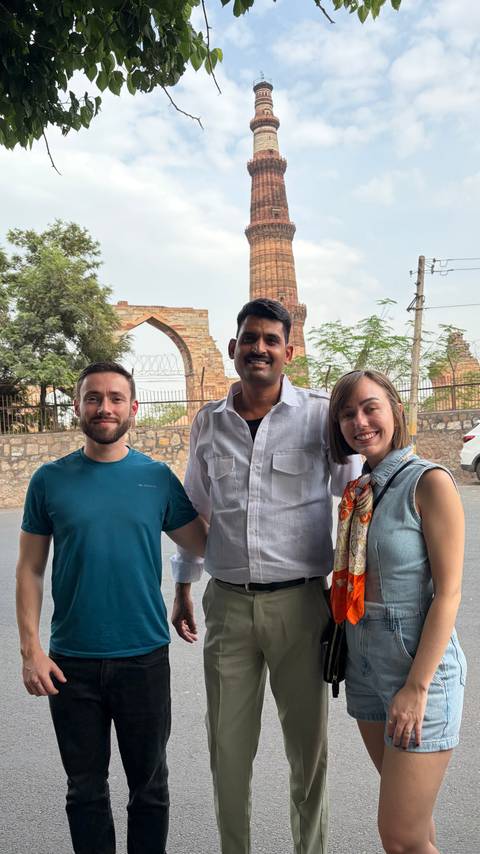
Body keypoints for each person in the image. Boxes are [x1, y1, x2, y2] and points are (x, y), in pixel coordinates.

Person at [170, 298, 361, 854]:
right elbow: (195, 511)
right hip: (227, 606)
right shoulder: (209, 422)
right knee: (227, 752)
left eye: (271, 340)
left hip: (303, 607)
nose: (259, 348)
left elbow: (354, 501)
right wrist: (184, 586)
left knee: (308, 753)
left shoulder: (321, 417)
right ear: (233, 349)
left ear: (289, 351)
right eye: (249, 339)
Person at [15, 361, 207, 854]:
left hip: (144, 658)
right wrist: (31, 650)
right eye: (94, 398)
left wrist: (185, 590)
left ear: (133, 409)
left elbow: (203, 544)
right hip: (71, 662)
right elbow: (30, 568)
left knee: (150, 789)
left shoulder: (157, 479)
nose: (105, 407)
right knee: (85, 791)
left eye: (116, 398)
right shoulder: (48, 481)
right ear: (78, 406)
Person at [328, 369, 467, 854]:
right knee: (416, 828)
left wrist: (416, 687)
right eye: (347, 413)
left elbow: (448, 593)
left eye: (370, 408)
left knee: (401, 838)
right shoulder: (360, 489)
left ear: (396, 411)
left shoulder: (429, 482)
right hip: (364, 666)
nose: (359, 421)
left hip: (416, 671)